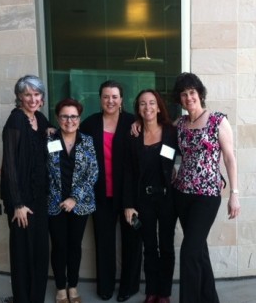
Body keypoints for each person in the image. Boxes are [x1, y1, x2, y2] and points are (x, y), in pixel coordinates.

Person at [172, 72, 241, 303]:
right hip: (181, 194)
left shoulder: (218, 121)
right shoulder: (179, 124)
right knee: (199, 250)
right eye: (183, 94)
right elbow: (165, 147)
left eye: (191, 92)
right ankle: (210, 298)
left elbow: (230, 159)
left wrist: (234, 194)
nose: (188, 97)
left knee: (189, 251)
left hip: (207, 195)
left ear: (199, 94)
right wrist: (136, 126)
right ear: (179, 99)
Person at [79, 80, 142, 302]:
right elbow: (69, 134)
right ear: (100, 99)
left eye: (114, 96)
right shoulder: (90, 124)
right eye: (106, 96)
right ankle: (105, 287)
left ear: (122, 99)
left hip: (129, 195)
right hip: (100, 195)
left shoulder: (133, 123)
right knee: (104, 243)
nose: (110, 101)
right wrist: (50, 131)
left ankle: (129, 287)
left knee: (132, 242)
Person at [123, 89, 178, 303]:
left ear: (158, 106)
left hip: (166, 199)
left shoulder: (171, 132)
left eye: (152, 103)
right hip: (143, 200)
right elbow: (128, 172)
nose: (148, 107)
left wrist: (178, 168)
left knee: (166, 246)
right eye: (143, 103)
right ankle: (151, 291)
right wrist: (128, 204)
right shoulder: (134, 135)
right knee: (149, 247)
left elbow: (185, 153)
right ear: (138, 108)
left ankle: (164, 293)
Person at [0, 75, 51, 303]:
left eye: (36, 94)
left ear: (42, 97)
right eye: (27, 94)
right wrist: (17, 204)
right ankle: (22, 298)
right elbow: (9, 165)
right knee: (22, 253)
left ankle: (36, 298)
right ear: (19, 97)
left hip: (40, 198)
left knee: (40, 252)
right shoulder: (15, 121)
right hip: (21, 200)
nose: (32, 99)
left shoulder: (41, 118)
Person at [47, 98, 98, 303]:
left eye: (74, 116)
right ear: (58, 119)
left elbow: (92, 172)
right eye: (65, 116)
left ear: (79, 118)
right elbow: (43, 172)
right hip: (54, 203)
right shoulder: (49, 141)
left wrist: (74, 198)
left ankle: (73, 287)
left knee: (75, 246)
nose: (70, 120)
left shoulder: (87, 141)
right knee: (59, 246)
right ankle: (60, 287)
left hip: (80, 204)